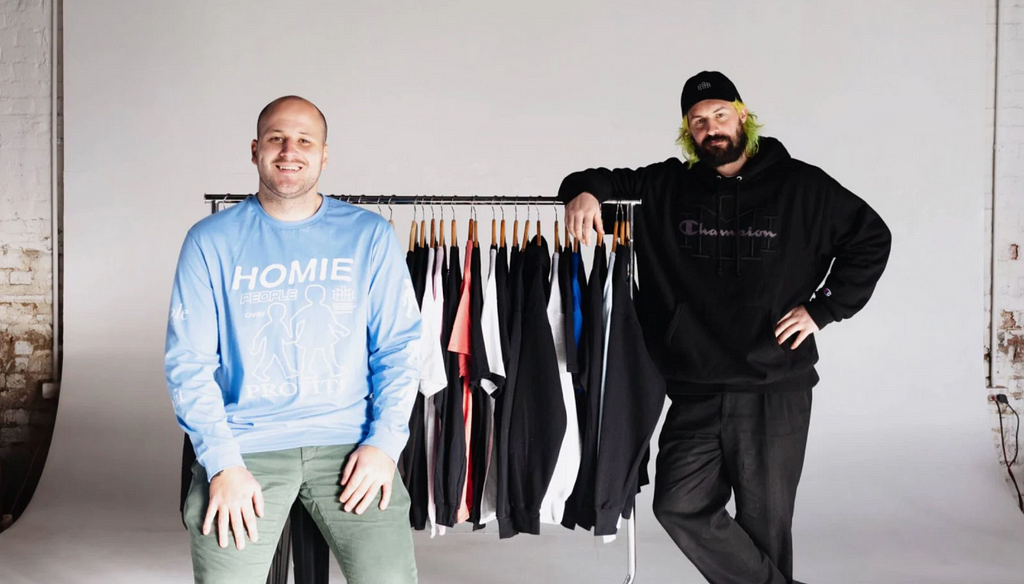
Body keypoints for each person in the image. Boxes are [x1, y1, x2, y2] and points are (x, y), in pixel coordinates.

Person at [559, 71, 891, 584]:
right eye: (697, 121)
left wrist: (822, 310)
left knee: (766, 526)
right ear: (687, 132)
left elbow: (870, 237)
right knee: (677, 504)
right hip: (696, 388)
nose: (710, 127)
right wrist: (581, 193)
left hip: (773, 387)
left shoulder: (801, 186)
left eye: (719, 114)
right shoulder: (666, 186)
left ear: (741, 115)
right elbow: (599, 179)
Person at [165, 95, 421, 584]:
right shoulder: (210, 240)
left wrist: (384, 445)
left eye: (305, 140)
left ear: (324, 154)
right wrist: (222, 464)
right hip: (245, 446)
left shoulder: (368, 235)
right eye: (277, 138)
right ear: (255, 148)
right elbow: (188, 364)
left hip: (350, 443)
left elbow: (400, 348)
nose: (289, 150)